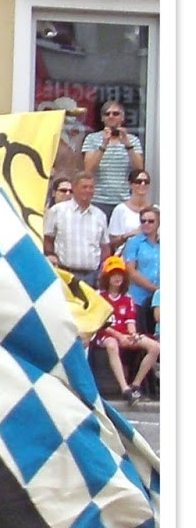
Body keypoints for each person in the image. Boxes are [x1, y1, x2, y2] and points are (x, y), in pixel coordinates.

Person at [92, 256, 160, 405]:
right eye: (113, 274)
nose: (117, 278)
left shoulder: (128, 298)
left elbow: (130, 322)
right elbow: (100, 323)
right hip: (106, 334)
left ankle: (135, 384)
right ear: (107, 277)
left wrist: (133, 334)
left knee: (154, 346)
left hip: (124, 333)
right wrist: (119, 336)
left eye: (120, 274)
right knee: (111, 344)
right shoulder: (98, 296)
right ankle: (124, 388)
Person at [81, 99, 145, 219]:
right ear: (102, 118)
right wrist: (104, 144)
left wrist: (128, 145)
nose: (111, 116)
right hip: (98, 200)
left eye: (116, 114)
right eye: (107, 114)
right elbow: (88, 170)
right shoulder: (92, 139)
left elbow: (139, 170)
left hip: (124, 200)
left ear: (122, 118)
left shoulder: (133, 140)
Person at [43, 172, 109, 280]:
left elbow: (105, 247)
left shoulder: (100, 215)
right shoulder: (57, 211)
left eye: (91, 187)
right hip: (64, 273)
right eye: (84, 187)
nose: (88, 191)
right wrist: (52, 256)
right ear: (74, 188)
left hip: (91, 276)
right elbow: (48, 239)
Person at [123, 205, 160, 336]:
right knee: (140, 334)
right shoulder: (134, 242)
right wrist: (155, 289)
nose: (146, 224)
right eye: (143, 221)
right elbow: (131, 272)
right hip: (139, 297)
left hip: (159, 301)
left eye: (151, 221)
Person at [108, 168, 154, 253]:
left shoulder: (156, 210)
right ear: (130, 184)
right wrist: (130, 234)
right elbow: (112, 242)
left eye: (146, 182)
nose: (143, 184)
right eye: (138, 181)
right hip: (126, 256)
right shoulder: (120, 210)